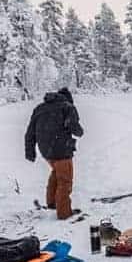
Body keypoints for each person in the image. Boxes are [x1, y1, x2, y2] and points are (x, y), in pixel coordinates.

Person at [25, 87, 85, 220]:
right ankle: (64, 212)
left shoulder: (39, 108)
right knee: (65, 179)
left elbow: (30, 132)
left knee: (57, 172)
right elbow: (74, 127)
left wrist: (30, 152)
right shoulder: (67, 107)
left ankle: (52, 202)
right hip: (61, 149)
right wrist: (80, 132)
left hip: (46, 151)